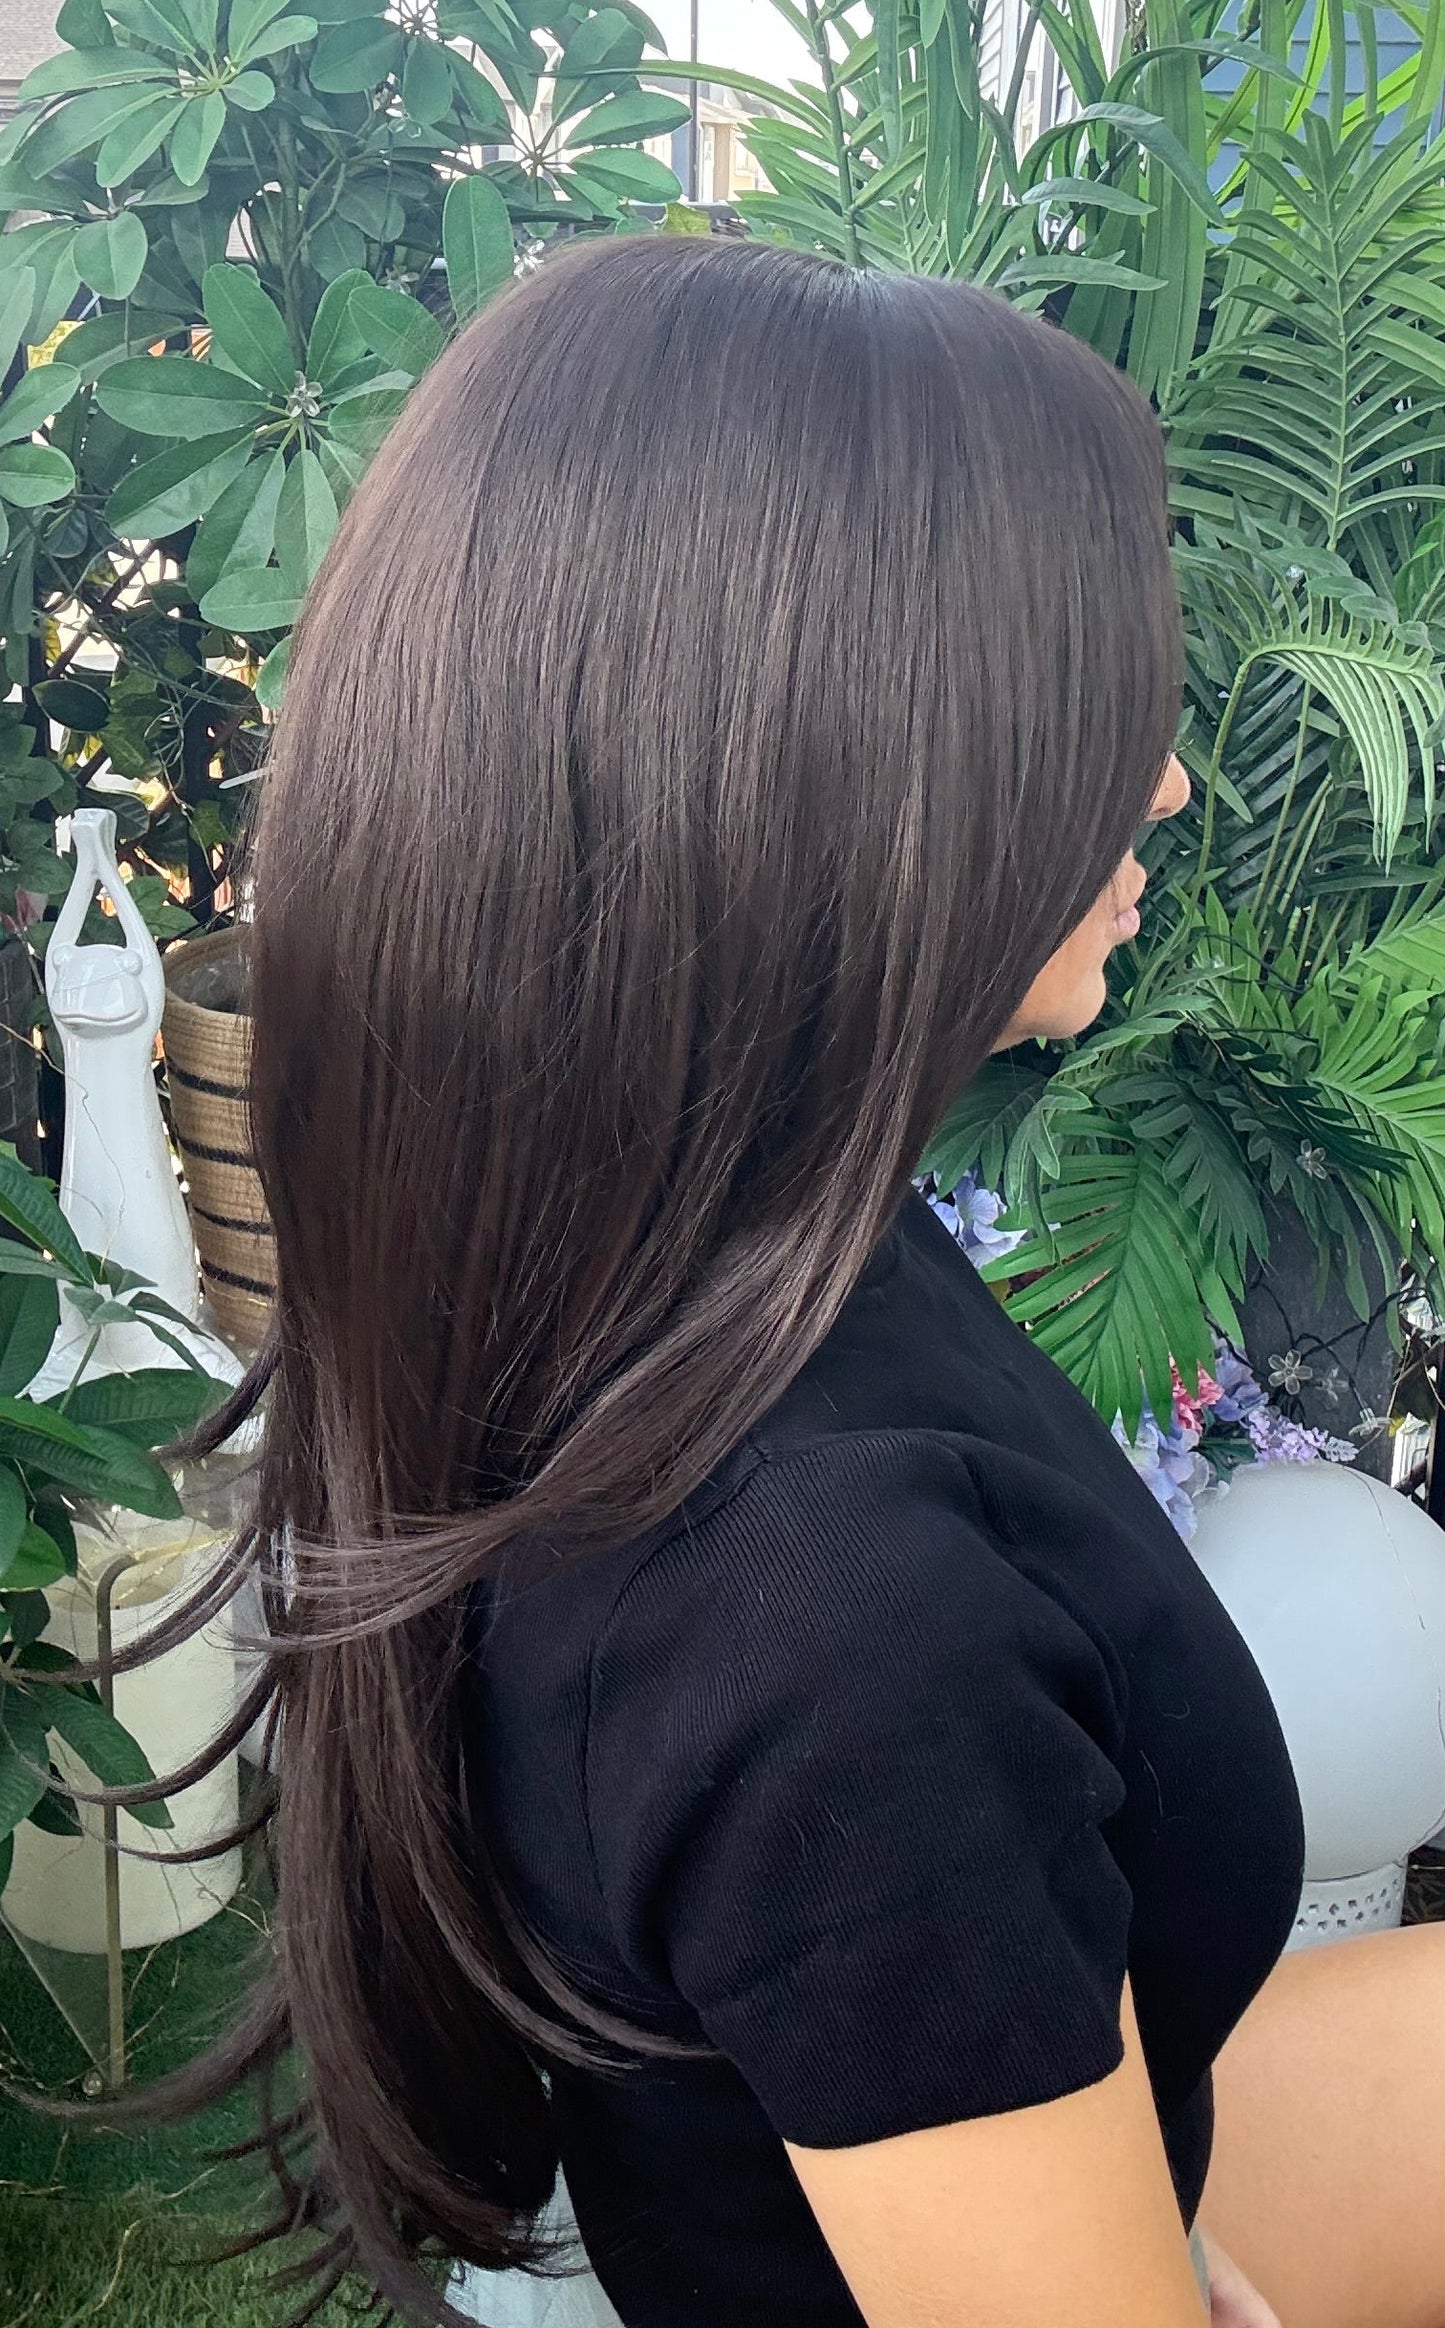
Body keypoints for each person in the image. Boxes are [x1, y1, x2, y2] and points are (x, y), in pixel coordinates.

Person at [146, 236, 1445, 2328]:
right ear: (857, 787)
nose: (1170, 787)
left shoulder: (670, 1238)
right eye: (1104, 713)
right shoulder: (843, 1632)